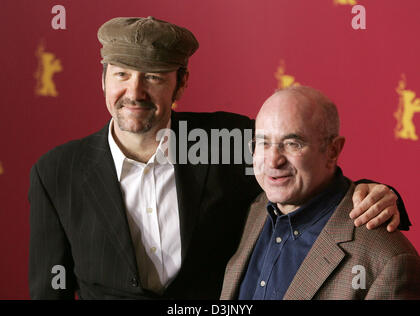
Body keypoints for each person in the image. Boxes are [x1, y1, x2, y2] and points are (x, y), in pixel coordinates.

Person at [29, 17, 410, 300]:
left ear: (181, 83)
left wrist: (375, 191)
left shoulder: (226, 141)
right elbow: (50, 291)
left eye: (154, 77)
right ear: (103, 79)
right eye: (121, 74)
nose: (135, 91)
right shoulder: (57, 172)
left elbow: (301, 169)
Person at [220, 86, 420, 300]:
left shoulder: (388, 261)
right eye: (263, 143)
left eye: (292, 143)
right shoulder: (255, 208)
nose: (272, 160)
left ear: (332, 150)